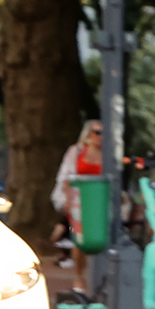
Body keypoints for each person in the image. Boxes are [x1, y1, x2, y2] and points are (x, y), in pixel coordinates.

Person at [51, 120, 105, 290]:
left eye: (103, 133)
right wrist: (67, 200)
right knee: (78, 238)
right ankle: (79, 277)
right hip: (78, 201)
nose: (100, 137)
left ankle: (98, 277)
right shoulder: (76, 152)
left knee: (99, 237)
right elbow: (67, 177)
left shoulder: (107, 154)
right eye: (97, 132)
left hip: (98, 201)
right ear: (89, 134)